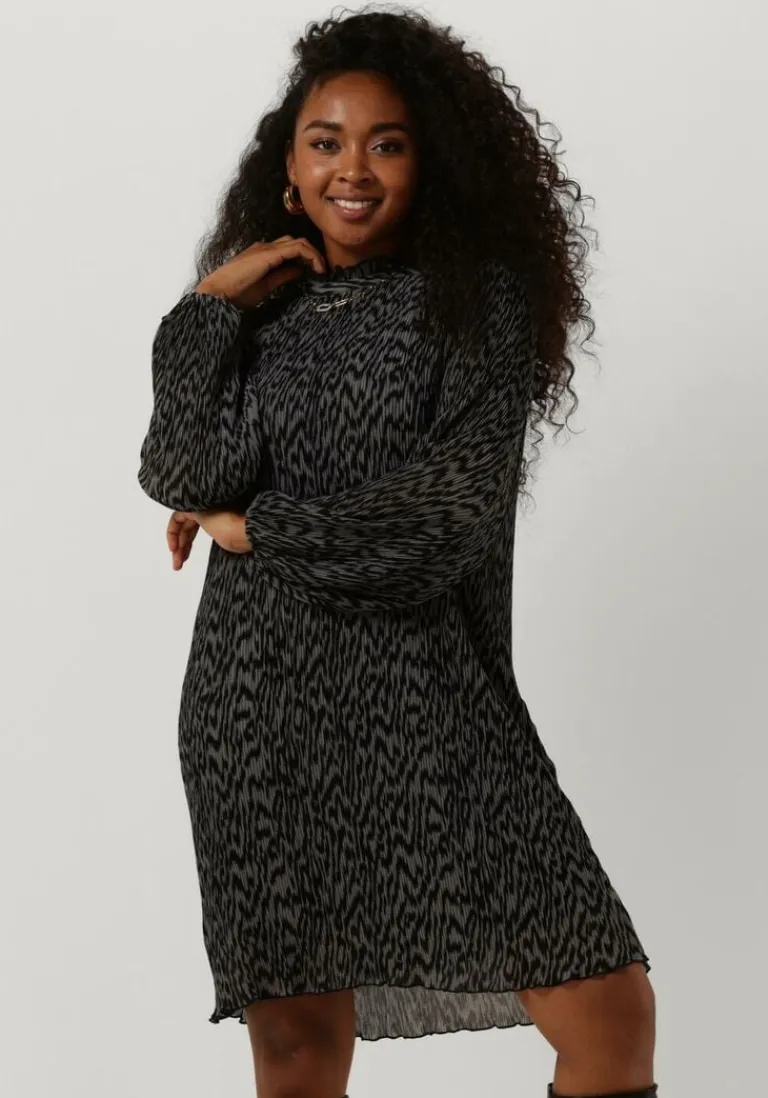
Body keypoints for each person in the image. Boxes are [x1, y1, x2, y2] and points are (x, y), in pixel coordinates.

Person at [137, 8, 658, 1098]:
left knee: (608, 1012)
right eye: (325, 142)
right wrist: (205, 308)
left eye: (388, 143)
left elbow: (440, 519)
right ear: (288, 170)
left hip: (434, 701)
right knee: (296, 1047)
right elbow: (182, 468)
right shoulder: (258, 319)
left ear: (432, 166)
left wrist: (259, 527)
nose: (354, 169)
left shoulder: (476, 306)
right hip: (257, 712)